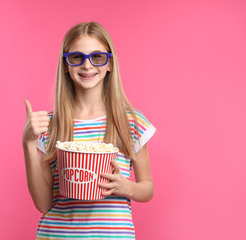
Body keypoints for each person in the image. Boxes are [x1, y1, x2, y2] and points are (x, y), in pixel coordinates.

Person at [22, 21, 156, 240]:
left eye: (97, 57)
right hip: (58, 234)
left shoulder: (131, 122)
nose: (87, 65)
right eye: (77, 57)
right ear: (65, 65)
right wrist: (28, 143)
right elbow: (43, 203)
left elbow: (147, 187)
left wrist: (125, 187)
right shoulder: (49, 126)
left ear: (110, 63)